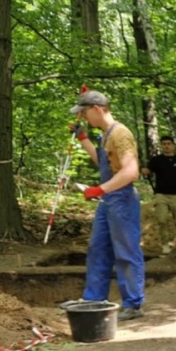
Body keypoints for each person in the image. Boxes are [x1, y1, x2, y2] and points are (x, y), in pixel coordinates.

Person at [69, 89, 146, 321]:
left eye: (84, 112)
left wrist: (100, 189)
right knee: (98, 249)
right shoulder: (105, 134)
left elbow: (130, 172)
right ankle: (94, 300)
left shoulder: (121, 134)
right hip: (109, 200)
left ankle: (133, 303)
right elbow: (102, 161)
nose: (83, 117)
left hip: (121, 199)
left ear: (97, 109)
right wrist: (83, 138)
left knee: (126, 251)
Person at [141, 135, 176, 253]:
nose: (166, 146)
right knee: (161, 219)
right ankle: (165, 244)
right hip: (160, 194)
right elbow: (147, 171)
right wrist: (137, 165)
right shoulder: (157, 160)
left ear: (173, 145)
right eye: (164, 144)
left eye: (169, 143)